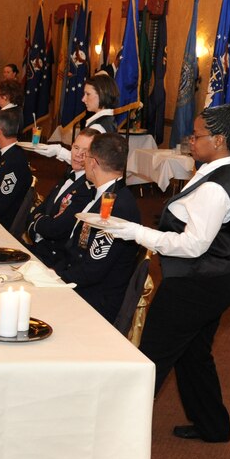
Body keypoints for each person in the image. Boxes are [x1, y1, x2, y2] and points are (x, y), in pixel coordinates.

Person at [106, 101, 230, 443]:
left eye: (197, 135)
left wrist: (135, 232)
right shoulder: (226, 171)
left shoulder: (217, 187)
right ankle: (213, 426)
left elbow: (192, 246)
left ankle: (117, 431)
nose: (190, 139)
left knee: (152, 353)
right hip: (219, 275)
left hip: (200, 282)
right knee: (193, 352)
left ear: (219, 140)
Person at [55, 133, 141, 323]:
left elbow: (93, 270)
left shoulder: (117, 207)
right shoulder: (106, 194)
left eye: (86, 156)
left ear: (93, 162)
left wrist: (53, 279)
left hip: (94, 300)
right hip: (82, 282)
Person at [26, 129, 97, 265]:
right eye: (76, 148)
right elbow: (40, 209)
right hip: (40, 249)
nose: (78, 155)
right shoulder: (69, 175)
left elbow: (56, 229)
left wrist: (37, 222)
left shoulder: (87, 189)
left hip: (55, 260)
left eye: (85, 151)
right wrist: (39, 222)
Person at [37, 73, 119, 164]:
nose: (83, 99)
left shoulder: (98, 127)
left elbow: (83, 162)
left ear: (102, 94)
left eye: (88, 94)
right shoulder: (108, 120)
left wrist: (58, 150)